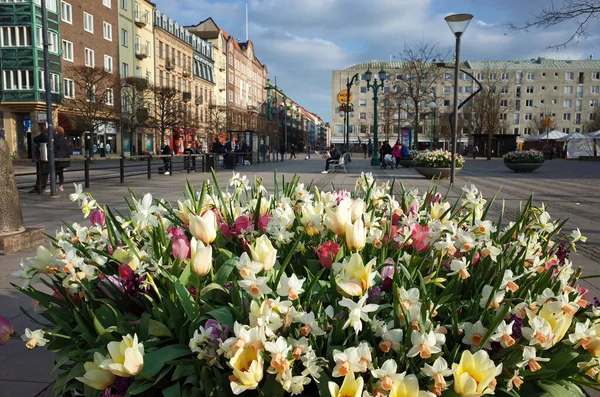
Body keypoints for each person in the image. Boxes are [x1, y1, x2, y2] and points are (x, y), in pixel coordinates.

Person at [54, 126, 71, 192]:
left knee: (54, 173)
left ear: (57, 131)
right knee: (60, 173)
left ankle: (54, 186)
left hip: (57, 158)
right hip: (64, 159)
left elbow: (55, 148)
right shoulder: (65, 139)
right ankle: (60, 186)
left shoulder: (56, 138)